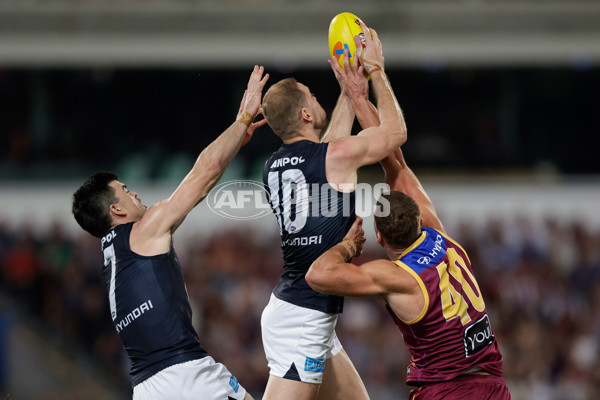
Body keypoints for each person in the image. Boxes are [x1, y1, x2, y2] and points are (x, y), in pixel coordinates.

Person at [71, 66, 269, 400]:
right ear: (115, 210)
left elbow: (206, 180)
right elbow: (202, 174)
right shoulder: (143, 231)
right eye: (126, 190)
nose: (135, 194)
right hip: (186, 376)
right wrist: (243, 119)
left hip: (147, 389)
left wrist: (234, 143)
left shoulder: (113, 255)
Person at [259, 23, 407, 400]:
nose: (316, 97)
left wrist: (348, 93)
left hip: (301, 309)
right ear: (306, 115)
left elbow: (327, 153)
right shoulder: (332, 157)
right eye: (311, 96)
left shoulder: (274, 165)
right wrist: (376, 71)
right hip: (302, 317)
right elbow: (396, 133)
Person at [305, 148, 512, 400]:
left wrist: (347, 245)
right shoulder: (442, 237)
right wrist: (364, 107)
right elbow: (397, 164)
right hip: (493, 386)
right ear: (418, 219)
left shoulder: (396, 277)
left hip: (445, 390)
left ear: (379, 237)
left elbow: (317, 275)